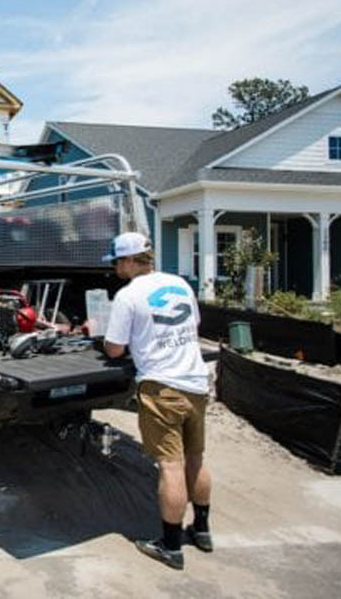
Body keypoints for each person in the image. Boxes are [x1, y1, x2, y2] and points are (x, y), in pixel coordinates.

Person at [97, 232, 213, 570]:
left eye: (118, 260)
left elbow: (115, 349)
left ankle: (171, 545)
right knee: (196, 458)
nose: (116, 266)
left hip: (162, 388)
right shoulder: (180, 284)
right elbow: (195, 325)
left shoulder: (128, 296)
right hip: (195, 382)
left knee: (170, 466)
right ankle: (202, 530)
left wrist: (104, 334)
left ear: (133, 260)